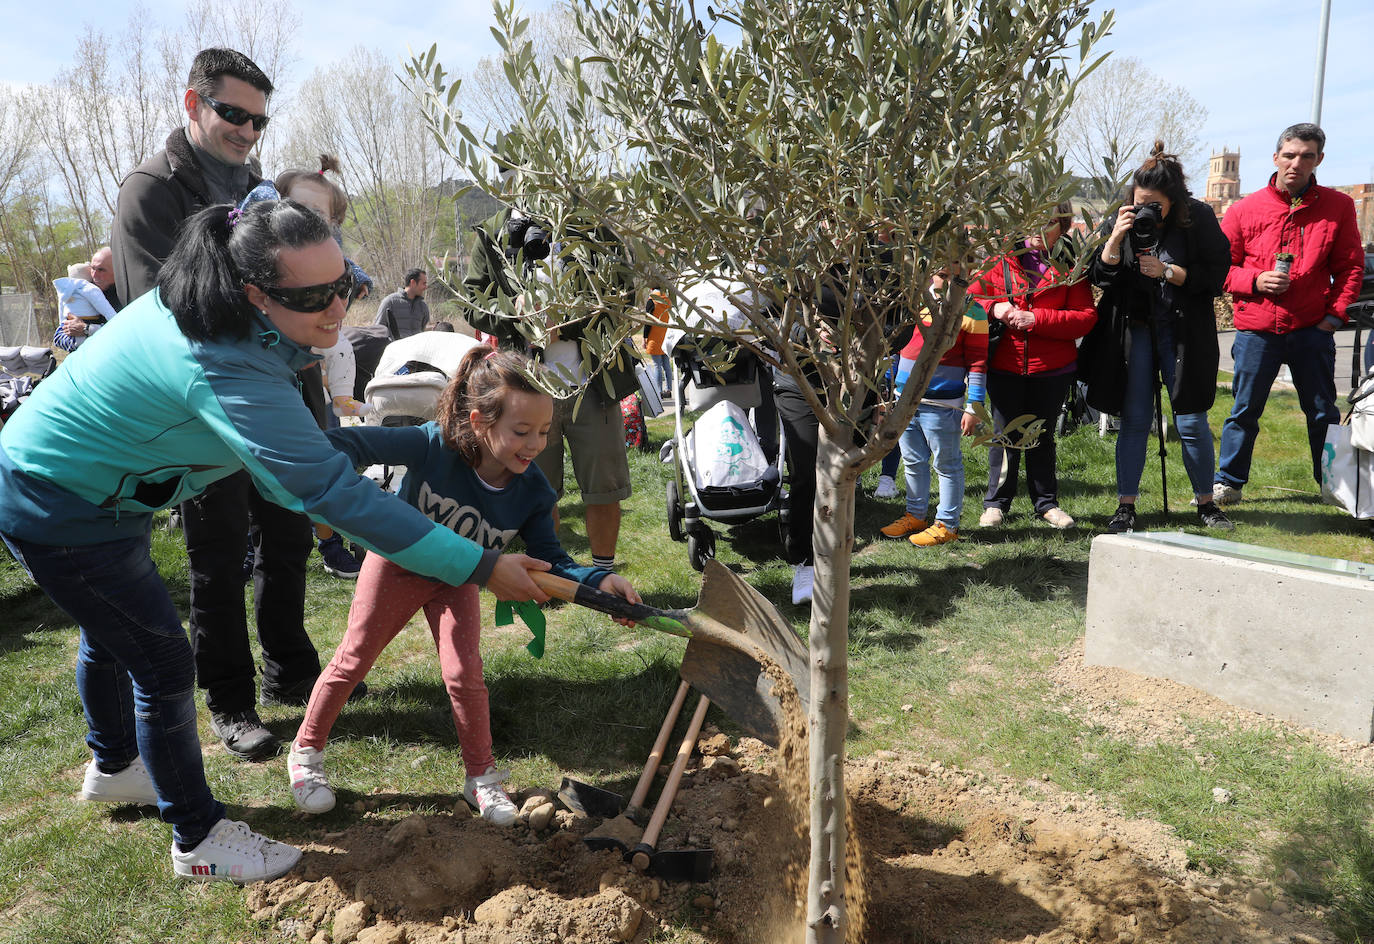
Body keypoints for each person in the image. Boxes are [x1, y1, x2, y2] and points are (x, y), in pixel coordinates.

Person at [0, 199, 551, 883]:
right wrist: (479, 563)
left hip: (101, 491)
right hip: (58, 500)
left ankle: (115, 766)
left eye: (345, 282)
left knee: (109, 632)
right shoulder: (220, 360)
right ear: (254, 294)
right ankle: (198, 841)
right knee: (165, 665)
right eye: (315, 295)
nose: (338, 307)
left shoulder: (227, 310)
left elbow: (296, 475)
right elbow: (329, 493)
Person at [285, 347, 641, 823]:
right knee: (354, 659)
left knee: (465, 676)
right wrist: (347, 497)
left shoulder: (533, 490)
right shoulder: (432, 446)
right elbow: (347, 445)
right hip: (396, 566)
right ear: (478, 422)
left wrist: (600, 581)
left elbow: (552, 560)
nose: (535, 444)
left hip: (461, 577)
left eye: (543, 431)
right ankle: (306, 753)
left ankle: (481, 777)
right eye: (521, 432)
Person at [110, 47, 337, 758]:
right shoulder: (151, 190)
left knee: (289, 539)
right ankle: (232, 702)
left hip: (280, 395)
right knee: (218, 555)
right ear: (192, 103)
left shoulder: (263, 190)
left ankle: (291, 671)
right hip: (204, 412)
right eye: (232, 113)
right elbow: (167, 312)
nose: (245, 130)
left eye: (258, 120)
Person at [463, 200, 638, 573]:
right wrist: (516, 309)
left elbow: (624, 290)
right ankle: (552, 575)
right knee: (537, 488)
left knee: (604, 486)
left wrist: (569, 316)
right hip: (527, 386)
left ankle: (602, 575)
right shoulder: (492, 231)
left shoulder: (590, 224)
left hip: (594, 382)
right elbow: (471, 303)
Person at [1082, 142, 1234, 532]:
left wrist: (1168, 272)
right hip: (1136, 329)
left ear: (1174, 199)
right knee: (1134, 419)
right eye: (1139, 202)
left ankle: (1207, 505)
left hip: (1184, 331)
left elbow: (1216, 276)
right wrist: (1115, 237)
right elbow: (1100, 277)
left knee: (1190, 420)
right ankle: (1125, 507)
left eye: (1154, 204)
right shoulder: (1125, 217)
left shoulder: (1197, 216)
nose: (1146, 210)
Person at [1213, 123, 1365, 504]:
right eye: (1290, 154)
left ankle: (1333, 482)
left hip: (1311, 329)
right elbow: (1219, 269)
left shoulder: (1338, 207)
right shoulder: (1244, 209)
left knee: (1321, 412)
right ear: (1276, 156)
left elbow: (1351, 268)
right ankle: (1228, 482)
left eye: (1307, 156)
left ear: (1319, 160)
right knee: (1244, 411)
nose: (1297, 163)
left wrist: (1333, 318)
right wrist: (1254, 280)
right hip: (1256, 330)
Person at [971, 202, 1097, 530]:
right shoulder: (1000, 259)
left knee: (1042, 437)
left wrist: (1036, 318)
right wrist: (996, 308)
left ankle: (1046, 504)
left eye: (1050, 222)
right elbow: (972, 297)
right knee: (1003, 436)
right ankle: (996, 503)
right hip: (1004, 364)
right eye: (1034, 221)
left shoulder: (1072, 265)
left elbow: (1085, 317)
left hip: (1052, 368)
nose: (1040, 230)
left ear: (1064, 225)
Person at [879, 271, 987, 546]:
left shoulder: (973, 312)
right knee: (913, 461)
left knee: (947, 464)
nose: (941, 280)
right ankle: (915, 515)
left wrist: (974, 407)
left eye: (947, 274)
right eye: (939, 273)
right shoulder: (915, 308)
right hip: (904, 401)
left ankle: (947, 524)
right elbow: (897, 350)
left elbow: (977, 363)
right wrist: (887, 394)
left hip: (942, 404)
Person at [52, 263, 119, 352]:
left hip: (72, 330)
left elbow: (61, 308)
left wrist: (62, 325)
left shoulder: (64, 290)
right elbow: (108, 311)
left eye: (101, 269)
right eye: (93, 269)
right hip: (77, 326)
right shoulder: (90, 289)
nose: (95, 274)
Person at [376, 268, 430, 339]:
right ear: (413, 282)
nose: (426, 287)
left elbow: (422, 329)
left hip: (417, 349)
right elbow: (378, 330)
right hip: (395, 349)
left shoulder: (423, 306)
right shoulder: (390, 302)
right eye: (424, 283)